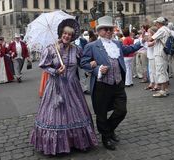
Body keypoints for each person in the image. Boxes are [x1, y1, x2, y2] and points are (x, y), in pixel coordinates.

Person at [30, 18, 98, 155]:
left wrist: (92, 64)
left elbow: (82, 63)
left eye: (70, 34)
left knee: (76, 112)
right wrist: (55, 71)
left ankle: (80, 142)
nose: (67, 36)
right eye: (65, 33)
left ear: (73, 37)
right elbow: (43, 65)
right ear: (61, 33)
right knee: (56, 114)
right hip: (55, 87)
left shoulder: (76, 49)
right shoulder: (51, 49)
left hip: (73, 87)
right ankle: (56, 146)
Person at [80, 15, 145, 150]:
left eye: (110, 29)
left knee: (121, 111)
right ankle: (106, 137)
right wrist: (97, 68)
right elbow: (84, 63)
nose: (108, 31)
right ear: (98, 31)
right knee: (101, 113)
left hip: (118, 83)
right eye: (105, 29)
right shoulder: (91, 46)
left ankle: (108, 131)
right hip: (101, 84)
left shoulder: (117, 43)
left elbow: (128, 50)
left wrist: (141, 42)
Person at [149, 17, 170, 97]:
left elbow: (151, 39)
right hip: (164, 52)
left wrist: (147, 36)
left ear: (159, 23)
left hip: (159, 52)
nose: (156, 24)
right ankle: (166, 89)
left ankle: (162, 91)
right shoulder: (167, 29)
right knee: (164, 71)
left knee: (160, 71)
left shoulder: (161, 30)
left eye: (156, 23)